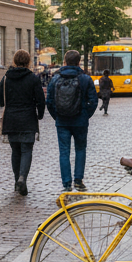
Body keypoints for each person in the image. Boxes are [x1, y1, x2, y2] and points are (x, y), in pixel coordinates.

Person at [46, 50, 99, 192]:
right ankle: (78, 180)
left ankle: (66, 183)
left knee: (64, 152)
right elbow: (93, 100)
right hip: (80, 121)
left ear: (64, 62)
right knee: (80, 149)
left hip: (62, 121)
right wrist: (85, 115)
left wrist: (57, 116)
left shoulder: (55, 78)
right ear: (78, 62)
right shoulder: (85, 79)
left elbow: (49, 101)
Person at [0, 50, 46, 196]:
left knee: (15, 151)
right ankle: (23, 178)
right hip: (28, 119)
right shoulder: (33, 79)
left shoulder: (6, 78)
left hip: (11, 120)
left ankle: (17, 180)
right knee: (26, 150)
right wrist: (40, 115)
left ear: (15, 61)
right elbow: (40, 100)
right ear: (28, 62)